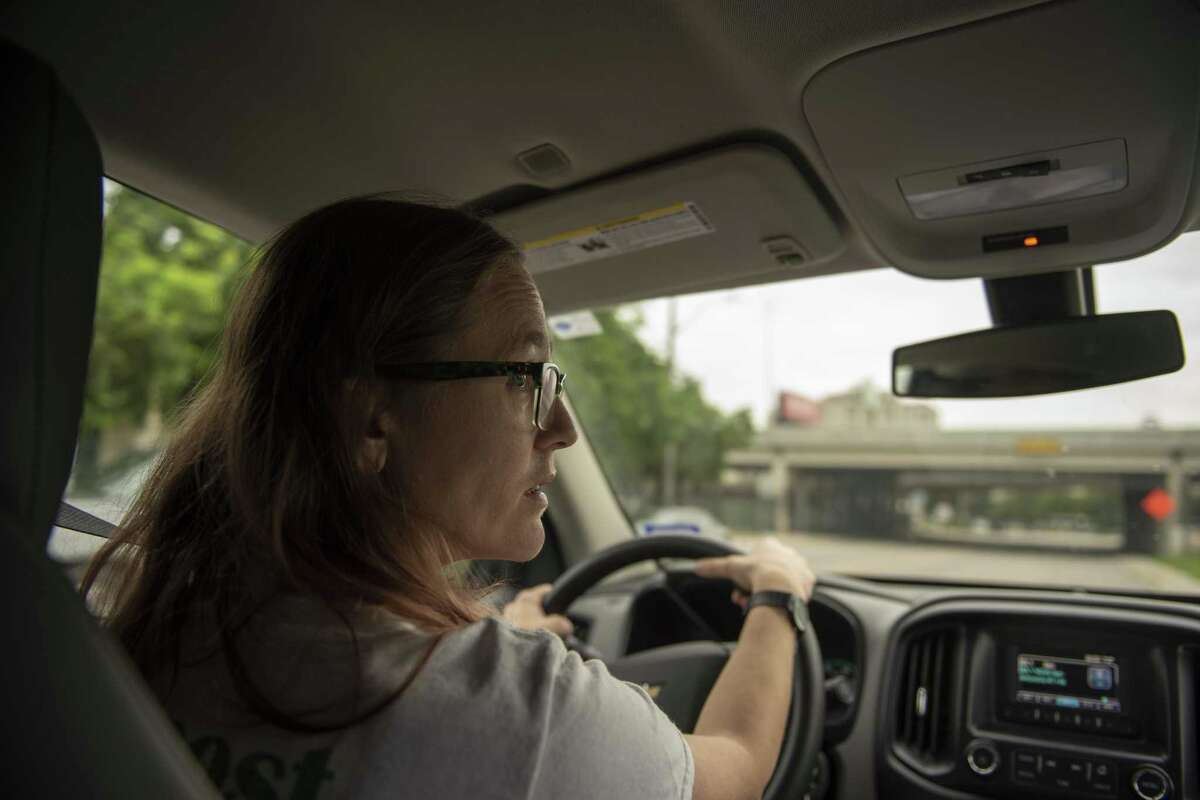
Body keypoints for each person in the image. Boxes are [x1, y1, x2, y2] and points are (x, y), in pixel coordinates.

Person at [82, 196, 815, 800]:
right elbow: (738, 767)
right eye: (524, 375)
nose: (561, 429)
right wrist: (779, 596)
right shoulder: (527, 714)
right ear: (374, 419)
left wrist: (498, 633)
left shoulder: (136, 632)